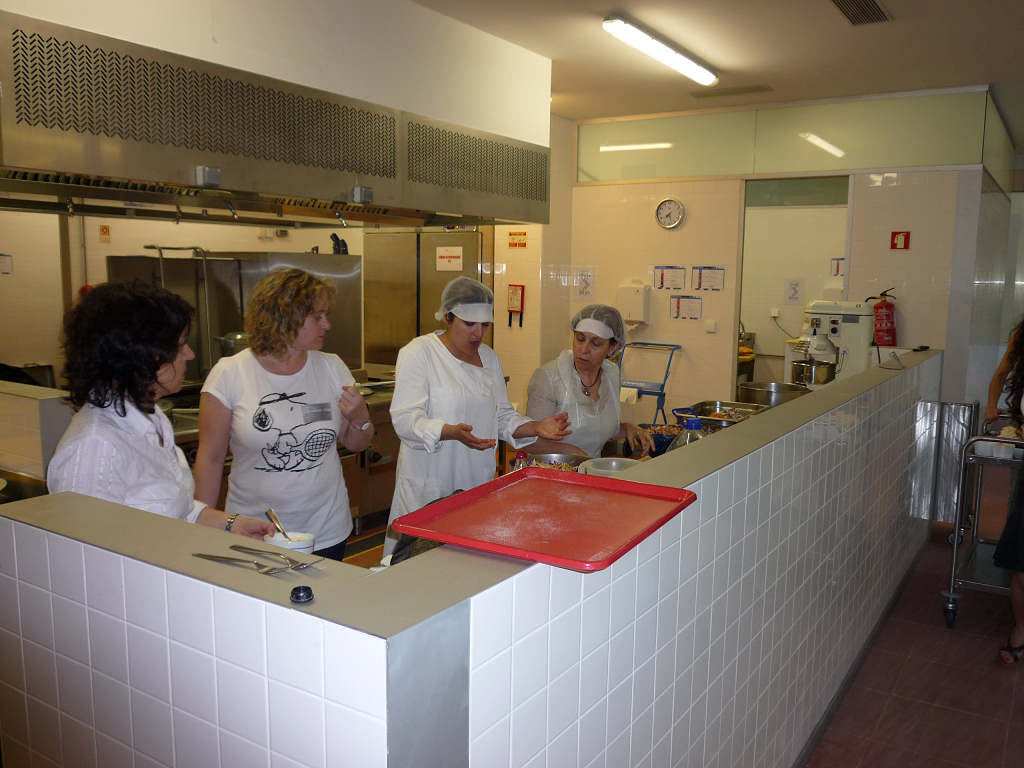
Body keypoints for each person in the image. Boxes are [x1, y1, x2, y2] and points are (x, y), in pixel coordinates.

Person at [47, 282, 273, 540]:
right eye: (180, 346)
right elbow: (84, 553)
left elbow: (177, 510)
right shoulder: (94, 447)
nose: (190, 355)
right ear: (142, 356)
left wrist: (232, 524)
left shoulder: (151, 417)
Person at [383, 276, 571, 561]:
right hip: (430, 483)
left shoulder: (489, 358)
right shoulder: (420, 353)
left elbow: (501, 416)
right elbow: (405, 420)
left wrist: (537, 427)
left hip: (474, 482)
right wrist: (448, 431)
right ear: (448, 317)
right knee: (419, 565)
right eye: (469, 324)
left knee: (467, 564)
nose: (478, 333)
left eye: (485, 325)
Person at [194, 268, 372, 561]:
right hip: (253, 530)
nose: (327, 324)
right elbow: (210, 459)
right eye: (317, 317)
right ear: (285, 317)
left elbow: (356, 443)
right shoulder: (230, 373)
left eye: (326, 315)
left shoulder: (332, 367)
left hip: (326, 528)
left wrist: (360, 417)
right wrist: (201, 523)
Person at [525, 304, 654, 458]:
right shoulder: (549, 378)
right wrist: (572, 453)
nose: (584, 349)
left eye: (595, 343)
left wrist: (626, 428)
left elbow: (596, 429)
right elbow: (530, 442)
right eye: (580, 339)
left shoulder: (611, 376)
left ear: (613, 348)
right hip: (549, 468)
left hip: (590, 468)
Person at [985, 317, 1024, 663]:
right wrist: (991, 406)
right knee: (1021, 561)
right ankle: (1020, 631)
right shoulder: (1022, 336)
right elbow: (1001, 374)